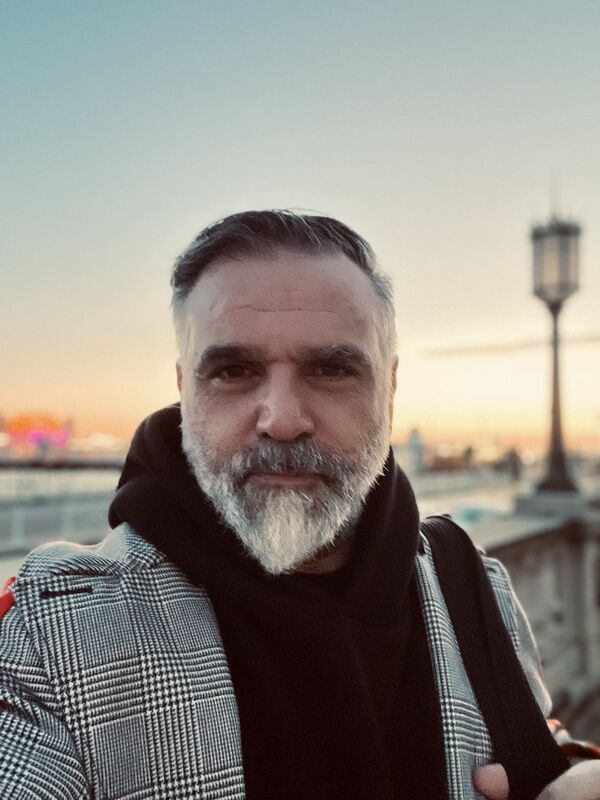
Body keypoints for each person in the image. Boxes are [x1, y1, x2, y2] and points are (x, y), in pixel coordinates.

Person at [1, 210, 598, 800]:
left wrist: (571, 772)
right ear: (185, 390)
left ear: (388, 391)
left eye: (331, 369)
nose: (282, 420)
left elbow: (536, 741)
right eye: (234, 370)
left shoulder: (469, 581)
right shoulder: (50, 637)